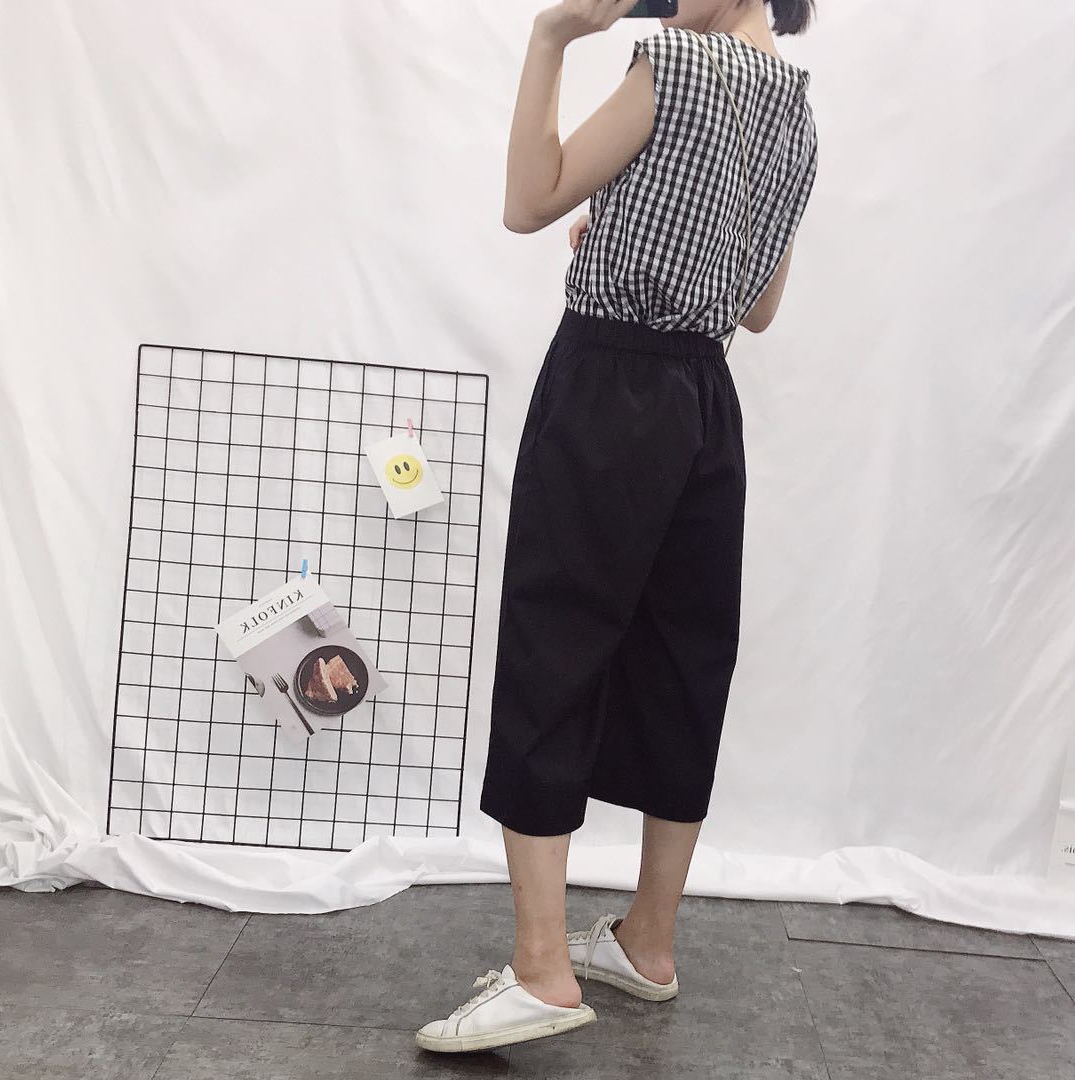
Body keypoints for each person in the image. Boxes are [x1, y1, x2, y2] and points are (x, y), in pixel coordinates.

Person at [416, 0, 819, 1054]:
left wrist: (552, 36)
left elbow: (526, 200)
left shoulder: (672, 63)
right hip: (704, 402)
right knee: (685, 660)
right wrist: (639, 231)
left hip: (606, 386)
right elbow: (758, 307)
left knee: (552, 651)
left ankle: (543, 971)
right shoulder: (799, 109)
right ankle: (648, 942)